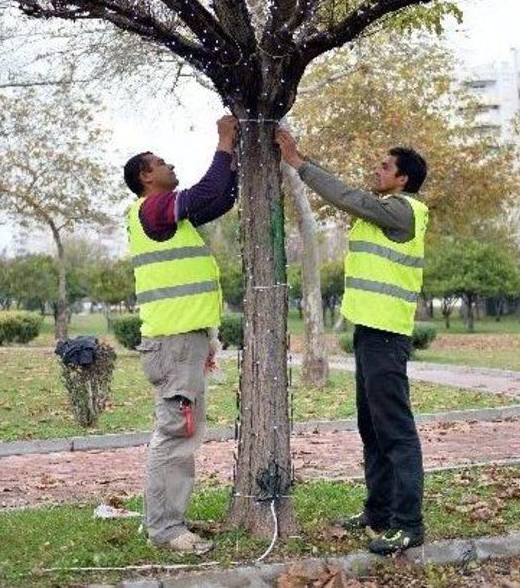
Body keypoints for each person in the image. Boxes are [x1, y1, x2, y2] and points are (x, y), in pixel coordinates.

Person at [275, 128, 428, 555]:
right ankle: (377, 514)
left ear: (403, 179)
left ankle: (408, 525)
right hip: (370, 331)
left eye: (384, 166)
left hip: (387, 334)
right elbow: (351, 197)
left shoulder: (405, 211)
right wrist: (301, 160)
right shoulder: (384, 210)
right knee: (372, 429)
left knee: (395, 431)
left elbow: (348, 197)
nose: (375, 170)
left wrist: (298, 162)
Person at [123, 115, 238, 554]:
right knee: (176, 434)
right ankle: (166, 529)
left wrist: (235, 158)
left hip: (181, 343)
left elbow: (220, 198)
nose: (171, 166)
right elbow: (207, 193)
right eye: (162, 163)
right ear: (145, 176)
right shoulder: (153, 208)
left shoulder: (168, 217)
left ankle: (166, 519)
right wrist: (223, 141)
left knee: (181, 433)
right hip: (173, 346)